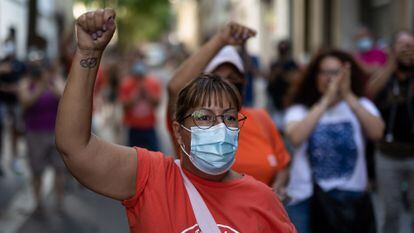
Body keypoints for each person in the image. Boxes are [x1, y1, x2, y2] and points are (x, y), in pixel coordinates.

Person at [55, 9, 296, 233]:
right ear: (178, 132)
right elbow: (75, 148)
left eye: (229, 117)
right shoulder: (152, 178)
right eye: (204, 117)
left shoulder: (264, 201)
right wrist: (88, 53)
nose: (220, 127)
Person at [167, 22, 292, 198]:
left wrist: (276, 190)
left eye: (235, 81)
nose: (228, 88)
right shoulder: (191, 122)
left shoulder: (260, 118)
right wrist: (221, 40)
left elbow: (282, 165)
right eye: (218, 80)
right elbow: (175, 88)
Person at [283, 50, 384, 233]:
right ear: (315, 76)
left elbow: (377, 133)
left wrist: (347, 96)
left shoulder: (361, 105)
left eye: (336, 72)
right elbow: (296, 137)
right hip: (306, 197)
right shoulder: (299, 109)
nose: (330, 78)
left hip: (351, 197)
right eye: (324, 72)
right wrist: (326, 100)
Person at [367, 31, 414, 233]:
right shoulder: (385, 75)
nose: (407, 49)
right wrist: (391, 64)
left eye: (411, 45)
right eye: (402, 45)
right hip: (387, 155)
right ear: (393, 49)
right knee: (391, 211)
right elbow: (370, 92)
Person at [18, 57, 66, 212]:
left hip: (55, 132)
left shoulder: (55, 80)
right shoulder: (26, 84)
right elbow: (25, 102)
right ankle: (38, 202)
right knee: (37, 170)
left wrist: (49, 84)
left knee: (59, 168)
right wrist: (39, 87)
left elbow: (64, 97)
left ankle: (60, 201)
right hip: (35, 133)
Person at [118, 61, 161, 150]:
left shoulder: (153, 83)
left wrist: (147, 93)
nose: (139, 79)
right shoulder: (126, 84)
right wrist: (136, 95)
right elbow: (124, 106)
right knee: (133, 154)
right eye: (136, 76)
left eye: (141, 76)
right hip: (133, 127)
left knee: (154, 153)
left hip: (149, 126)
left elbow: (157, 104)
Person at [267, 40, 301, 131]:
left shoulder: (292, 63)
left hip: (288, 100)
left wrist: (283, 74)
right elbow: (270, 80)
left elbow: (296, 78)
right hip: (275, 100)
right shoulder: (274, 63)